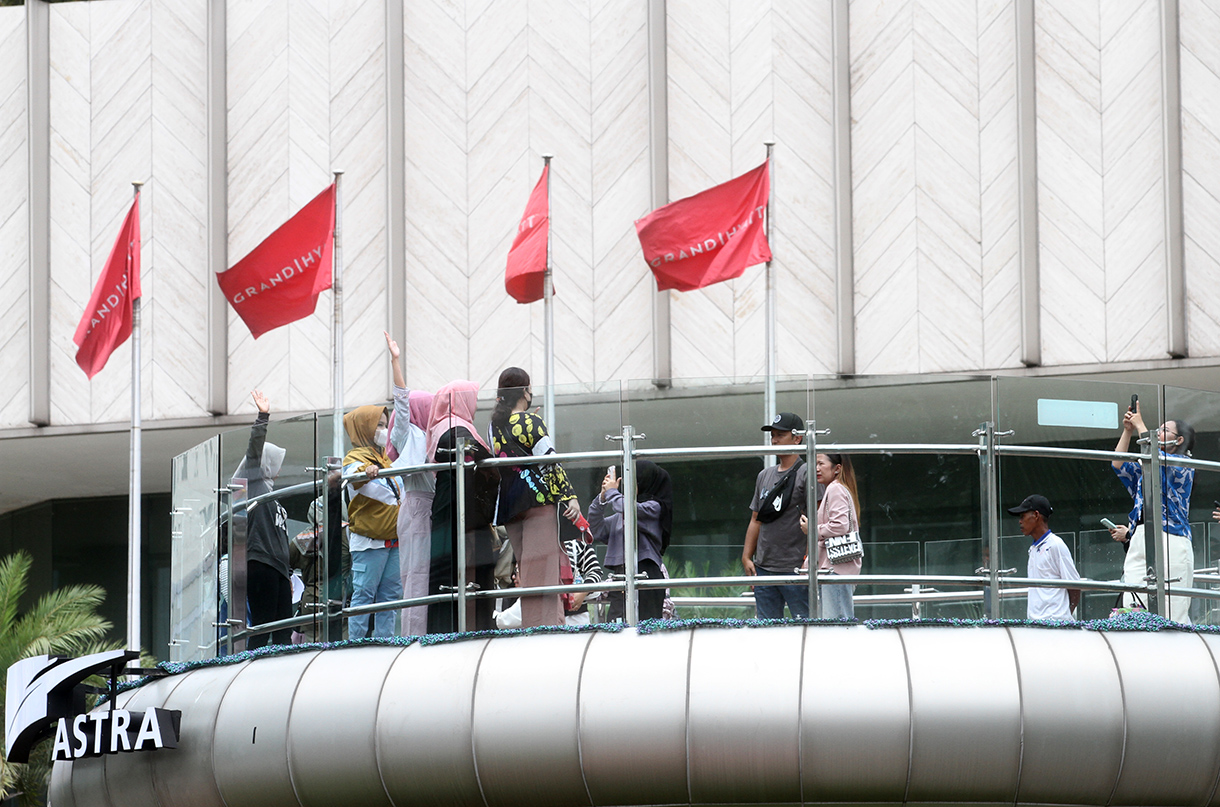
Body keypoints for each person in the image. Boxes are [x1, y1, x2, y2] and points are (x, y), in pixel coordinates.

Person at [489, 367, 582, 628]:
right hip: (537, 502)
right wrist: (570, 496)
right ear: (525, 392)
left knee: (529, 574)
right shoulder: (532, 422)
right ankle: (547, 631)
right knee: (545, 575)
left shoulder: (494, 426)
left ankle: (536, 626)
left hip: (509, 507)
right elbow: (549, 462)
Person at [1107, 401, 1195, 623]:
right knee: (1133, 604)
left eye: (1164, 430)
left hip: (1171, 538)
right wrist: (1128, 431)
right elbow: (1118, 464)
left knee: (1172, 609)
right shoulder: (1149, 463)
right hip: (1140, 537)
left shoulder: (1184, 463)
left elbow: (1158, 460)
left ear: (1180, 440)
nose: (1157, 432)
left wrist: (1141, 426)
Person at [426, 380, 500, 633]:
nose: (476, 404)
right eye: (472, 398)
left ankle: (447, 629)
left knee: (447, 572)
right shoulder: (456, 428)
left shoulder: (443, 426)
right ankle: (468, 630)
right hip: (460, 508)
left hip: (452, 505)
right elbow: (481, 461)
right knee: (461, 573)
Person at [383, 332, 435, 636]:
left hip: (427, 511)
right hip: (416, 509)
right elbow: (401, 407)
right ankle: (414, 638)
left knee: (427, 577)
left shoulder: (433, 437)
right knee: (415, 578)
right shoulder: (408, 437)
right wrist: (396, 362)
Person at [234, 390, 292, 648]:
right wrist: (263, 417)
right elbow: (254, 452)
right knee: (261, 627)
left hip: (279, 569)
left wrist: (288, 575)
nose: (279, 468)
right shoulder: (255, 487)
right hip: (260, 563)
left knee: (283, 631)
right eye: (276, 462)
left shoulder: (273, 497)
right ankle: (249, 673)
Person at [743, 412, 812, 619]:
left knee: (807, 629)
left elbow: (817, 520)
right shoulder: (764, 475)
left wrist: (808, 561)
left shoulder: (808, 472)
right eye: (773, 435)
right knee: (766, 632)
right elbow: (756, 518)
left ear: (797, 438)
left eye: (780, 435)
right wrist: (747, 556)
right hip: (764, 568)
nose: (774, 440)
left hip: (796, 568)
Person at [343, 403, 403, 639]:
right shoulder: (355, 458)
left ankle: (385, 642)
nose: (384, 430)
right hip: (369, 543)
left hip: (394, 541)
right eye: (378, 425)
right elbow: (352, 474)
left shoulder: (385, 458)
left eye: (385, 425)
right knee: (364, 595)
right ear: (364, 428)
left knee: (389, 597)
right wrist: (364, 470)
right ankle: (355, 645)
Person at [588, 460, 672, 621]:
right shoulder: (621, 513)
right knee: (618, 626)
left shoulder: (654, 508)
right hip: (621, 576)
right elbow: (595, 526)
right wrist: (602, 497)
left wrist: (612, 493)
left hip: (646, 573)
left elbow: (630, 510)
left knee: (644, 628)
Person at [799, 452, 862, 619]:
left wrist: (812, 530)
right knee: (837, 621)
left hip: (835, 569)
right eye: (815, 464)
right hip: (837, 568)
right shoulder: (838, 488)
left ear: (837, 468)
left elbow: (841, 525)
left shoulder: (835, 489)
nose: (816, 469)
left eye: (821, 464)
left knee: (837, 624)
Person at [1008, 494, 1080, 620]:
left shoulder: (1056, 545)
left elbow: (1075, 586)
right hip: (1036, 625)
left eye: (1023, 516)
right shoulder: (1033, 548)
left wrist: (1062, 617)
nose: (1020, 521)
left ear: (1036, 515)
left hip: (1055, 626)